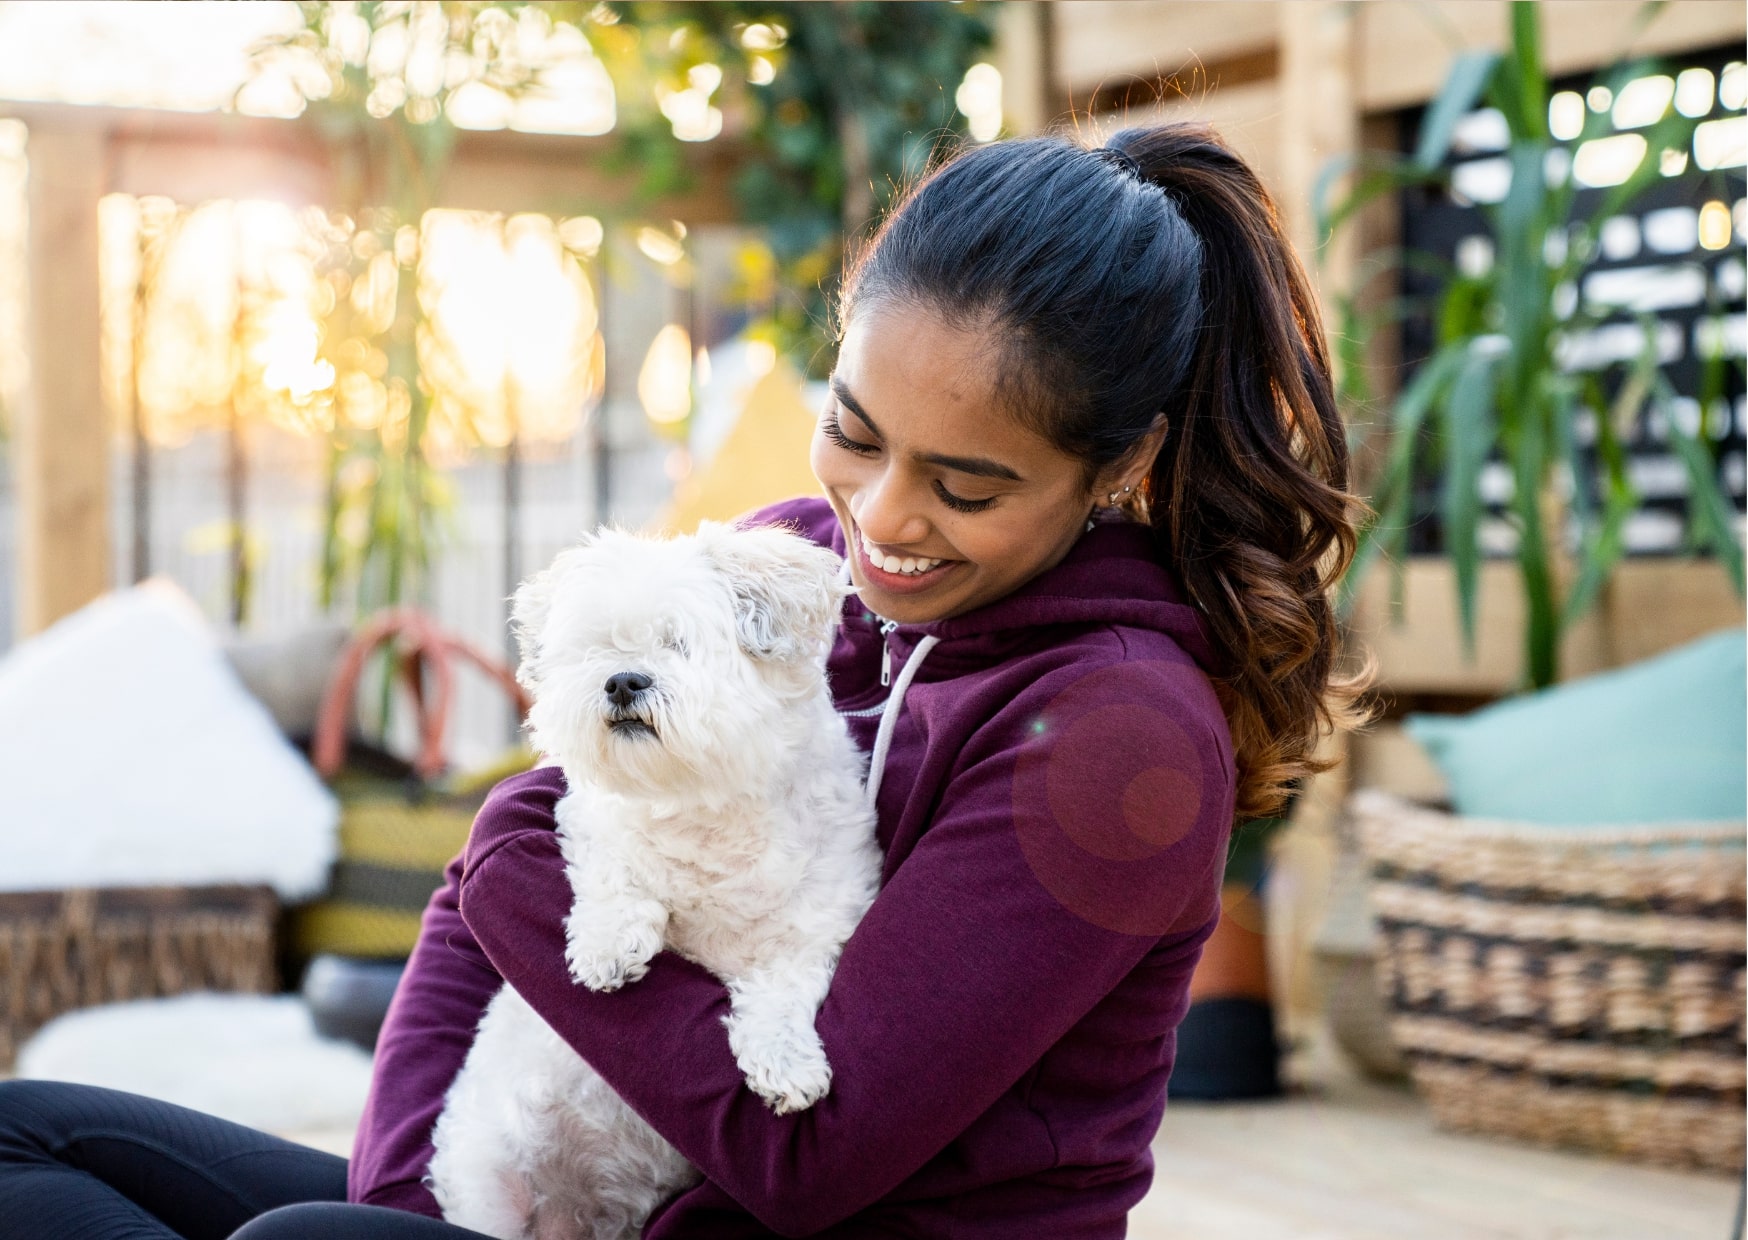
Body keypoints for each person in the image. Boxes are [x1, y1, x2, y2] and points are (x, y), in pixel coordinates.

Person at [0, 121, 1365, 1239]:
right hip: (603, 1201)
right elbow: (487, 910)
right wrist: (411, 1200)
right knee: (33, 1147)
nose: (879, 521)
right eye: (854, 430)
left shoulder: (1121, 736)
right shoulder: (785, 564)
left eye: (966, 486)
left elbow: (808, 1154)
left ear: (1116, 469)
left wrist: (507, 860)